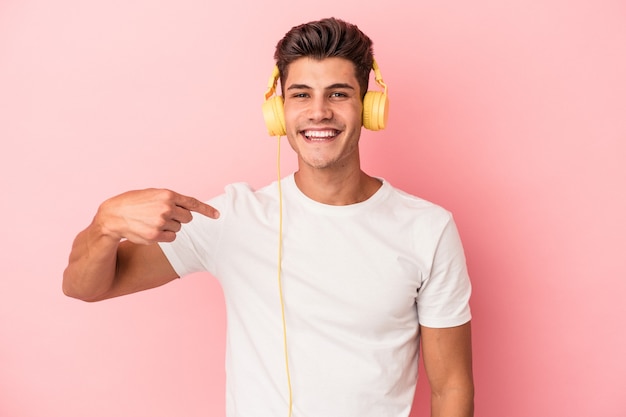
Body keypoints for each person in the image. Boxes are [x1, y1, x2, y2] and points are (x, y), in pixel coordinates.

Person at [63, 17, 474, 417]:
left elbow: (451, 385)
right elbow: (86, 287)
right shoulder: (232, 218)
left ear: (369, 106)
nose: (318, 112)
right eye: (300, 95)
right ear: (278, 111)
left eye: (337, 94)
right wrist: (104, 225)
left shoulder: (428, 228)